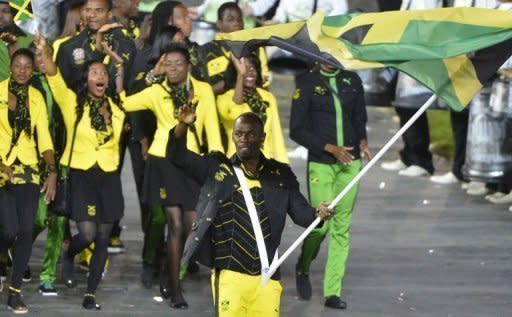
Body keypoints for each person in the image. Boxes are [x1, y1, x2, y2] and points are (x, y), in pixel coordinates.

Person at [168, 107, 333, 317]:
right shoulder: (218, 169)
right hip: (230, 275)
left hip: (267, 276)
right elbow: (176, 155)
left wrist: (317, 213)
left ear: (263, 137)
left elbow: (301, 213)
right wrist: (182, 125)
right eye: (239, 134)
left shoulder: (280, 174)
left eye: (250, 134)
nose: (244, 139)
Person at [121, 44, 223, 308]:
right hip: (163, 160)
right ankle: (176, 289)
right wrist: (147, 76)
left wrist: (218, 163)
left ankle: (167, 267)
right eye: (169, 63)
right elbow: (126, 102)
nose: (174, 68)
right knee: (175, 225)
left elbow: (212, 127)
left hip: (191, 161)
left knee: (192, 228)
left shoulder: (202, 90)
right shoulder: (157, 90)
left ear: (188, 65)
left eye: (179, 63)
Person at [36, 33, 126, 310]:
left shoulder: (118, 108)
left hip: (109, 176)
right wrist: (46, 53)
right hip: (82, 175)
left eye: (104, 73)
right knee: (86, 235)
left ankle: (90, 293)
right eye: (94, 72)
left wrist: (119, 64)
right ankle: (69, 253)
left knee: (102, 237)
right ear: (86, 79)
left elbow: (125, 90)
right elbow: (54, 79)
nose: (100, 76)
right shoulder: (73, 104)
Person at [290, 62, 371, 309]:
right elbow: (297, 130)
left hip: (350, 164)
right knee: (320, 225)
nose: (329, 58)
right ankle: (303, 266)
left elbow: (359, 117)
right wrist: (330, 148)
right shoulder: (305, 83)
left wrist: (362, 142)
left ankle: (332, 292)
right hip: (322, 164)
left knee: (341, 227)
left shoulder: (352, 80)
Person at [0, 48, 57, 313]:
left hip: (29, 172)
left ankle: (14, 293)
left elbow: (44, 137)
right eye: (18, 66)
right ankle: (1, 259)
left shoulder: (36, 97)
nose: (22, 71)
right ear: (10, 68)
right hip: (1, 169)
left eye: (27, 67)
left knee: (25, 231)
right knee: (8, 230)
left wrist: (52, 168)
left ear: (32, 71)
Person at [380, 0, 441, 178]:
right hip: (403, 53)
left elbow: (425, 25)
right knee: (402, 106)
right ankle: (408, 154)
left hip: (416, 57)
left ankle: (421, 160)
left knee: (412, 107)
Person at [217, 55, 287, 163]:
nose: (249, 71)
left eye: (253, 68)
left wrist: (283, 164)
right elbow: (235, 114)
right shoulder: (224, 98)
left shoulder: (267, 97)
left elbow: (276, 135)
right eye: (245, 68)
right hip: (239, 163)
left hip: (266, 162)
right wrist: (240, 75)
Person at [199, 2, 269, 95]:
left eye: (240, 20)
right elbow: (200, 91)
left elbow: (264, 82)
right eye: (230, 19)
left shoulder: (255, 49)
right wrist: (232, 83)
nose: (237, 23)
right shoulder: (205, 51)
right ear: (219, 24)